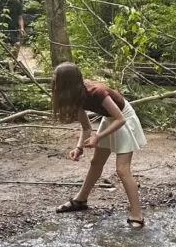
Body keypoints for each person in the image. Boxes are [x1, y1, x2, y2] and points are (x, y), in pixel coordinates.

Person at [51, 62, 146, 227]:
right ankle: (80, 200)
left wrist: (98, 137)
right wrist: (79, 147)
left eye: (56, 79)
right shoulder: (77, 95)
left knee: (122, 169)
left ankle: (137, 214)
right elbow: (87, 128)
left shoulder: (97, 93)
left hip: (124, 119)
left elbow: (121, 119)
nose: (54, 82)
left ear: (67, 82)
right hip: (110, 119)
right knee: (96, 163)